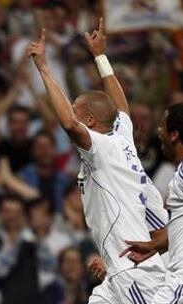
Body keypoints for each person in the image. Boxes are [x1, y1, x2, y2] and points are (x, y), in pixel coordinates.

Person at [27, 18, 166, 303]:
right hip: (117, 269)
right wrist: (100, 56)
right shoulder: (122, 136)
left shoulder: (99, 147)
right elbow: (121, 108)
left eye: (76, 110)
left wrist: (43, 68)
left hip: (133, 273)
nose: (71, 114)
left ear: (89, 120)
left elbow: (67, 123)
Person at [120, 103, 183, 303]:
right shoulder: (180, 174)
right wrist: (154, 245)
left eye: (161, 126)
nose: (158, 132)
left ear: (174, 135)